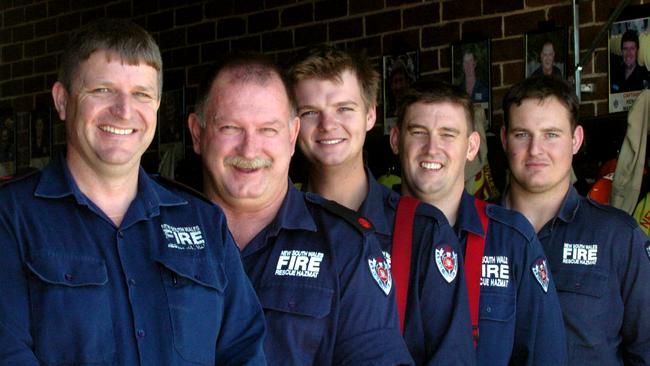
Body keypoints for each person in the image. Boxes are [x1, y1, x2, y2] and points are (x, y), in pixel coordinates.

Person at [0, 19, 266, 365]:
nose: (124, 111)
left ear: (156, 105)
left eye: (141, 94)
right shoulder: (11, 218)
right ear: (62, 101)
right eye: (102, 90)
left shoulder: (202, 222)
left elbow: (243, 350)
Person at [188, 52, 413, 365]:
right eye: (230, 127)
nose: (250, 148)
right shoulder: (154, 237)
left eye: (268, 129)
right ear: (197, 134)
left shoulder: (346, 247)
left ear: (292, 137)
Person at [289, 46, 474, 365]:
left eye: (344, 108)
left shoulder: (423, 232)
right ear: (292, 124)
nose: (327, 125)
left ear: (370, 115)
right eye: (309, 112)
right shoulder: (273, 225)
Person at [389, 80, 567, 365]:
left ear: (472, 146)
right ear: (396, 140)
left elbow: (545, 356)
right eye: (419, 132)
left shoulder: (512, 241)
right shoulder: (368, 236)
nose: (432, 149)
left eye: (448, 134)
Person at [501, 76, 650, 365]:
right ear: (505, 139)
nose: (536, 150)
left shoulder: (619, 238)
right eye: (522, 134)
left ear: (576, 140)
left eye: (551, 134)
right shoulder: (472, 234)